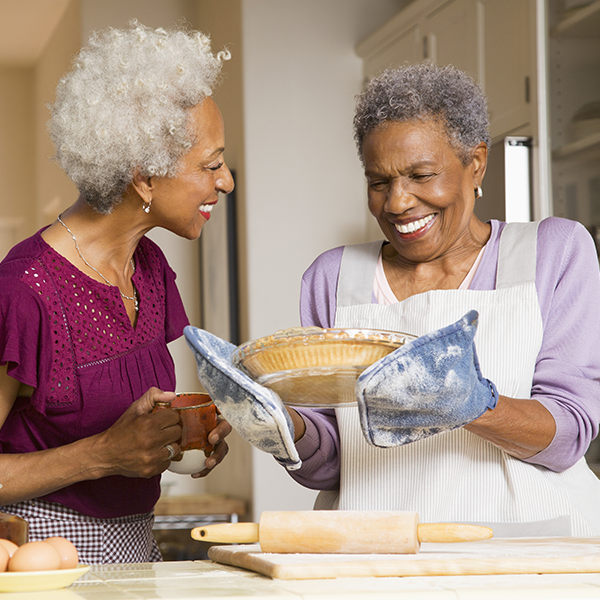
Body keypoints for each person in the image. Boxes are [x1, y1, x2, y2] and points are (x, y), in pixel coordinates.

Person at [185, 62, 600, 538]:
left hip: (527, 551)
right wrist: (284, 428)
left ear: (477, 164)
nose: (397, 202)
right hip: (378, 550)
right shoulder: (334, 278)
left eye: (421, 175)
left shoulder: (552, 253)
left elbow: (568, 435)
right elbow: (337, 465)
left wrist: (472, 404)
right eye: (378, 182)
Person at [0, 21, 233, 564]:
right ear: (144, 177)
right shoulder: (22, 289)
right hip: (45, 555)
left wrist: (181, 433)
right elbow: (108, 450)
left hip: (137, 548)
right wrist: (104, 454)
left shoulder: (149, 267)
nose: (225, 182)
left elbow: (131, 426)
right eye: (211, 164)